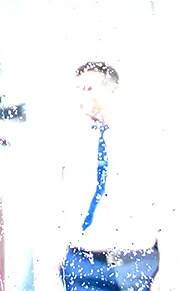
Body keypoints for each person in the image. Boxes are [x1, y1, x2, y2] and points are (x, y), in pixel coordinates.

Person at [55, 62, 163, 291]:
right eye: (78, 89)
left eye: (89, 89)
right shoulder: (71, 141)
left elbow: (164, 202)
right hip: (83, 263)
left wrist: (169, 268)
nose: (81, 96)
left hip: (135, 264)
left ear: (112, 91)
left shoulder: (142, 139)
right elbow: (59, 200)